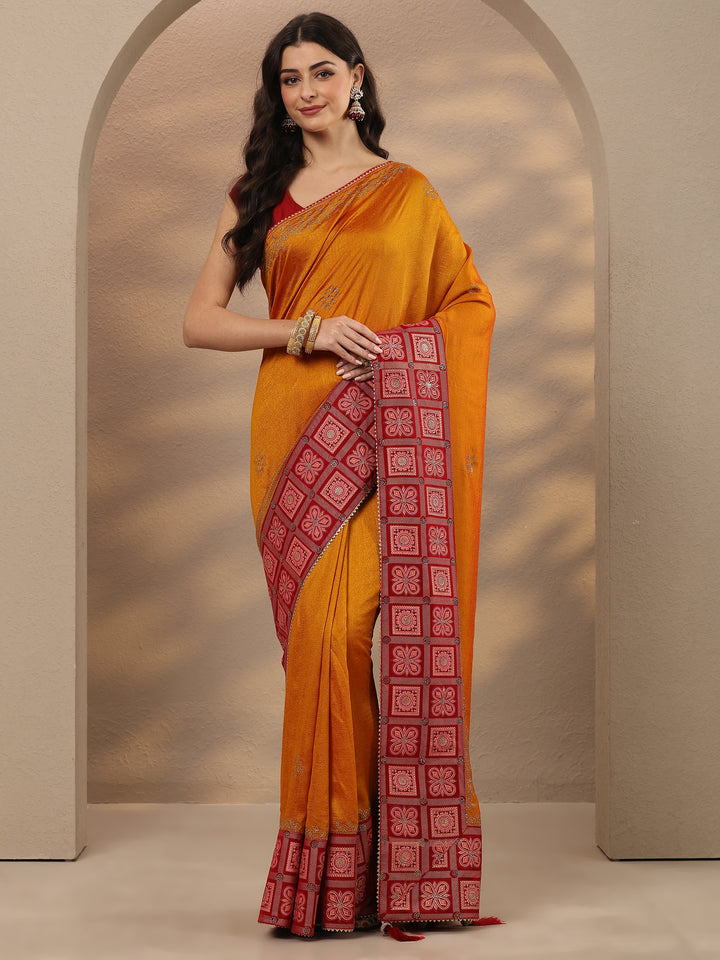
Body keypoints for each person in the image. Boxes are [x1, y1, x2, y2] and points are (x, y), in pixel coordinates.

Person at [184, 11, 498, 939]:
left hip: (392, 434)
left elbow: (469, 305)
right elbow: (200, 321)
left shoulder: (408, 192)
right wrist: (305, 329)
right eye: (289, 79)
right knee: (320, 643)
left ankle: (381, 870)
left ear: (357, 77)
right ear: (276, 95)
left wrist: (403, 355)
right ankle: (336, 878)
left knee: (357, 627)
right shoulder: (259, 194)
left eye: (322, 72)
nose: (307, 91)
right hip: (295, 439)